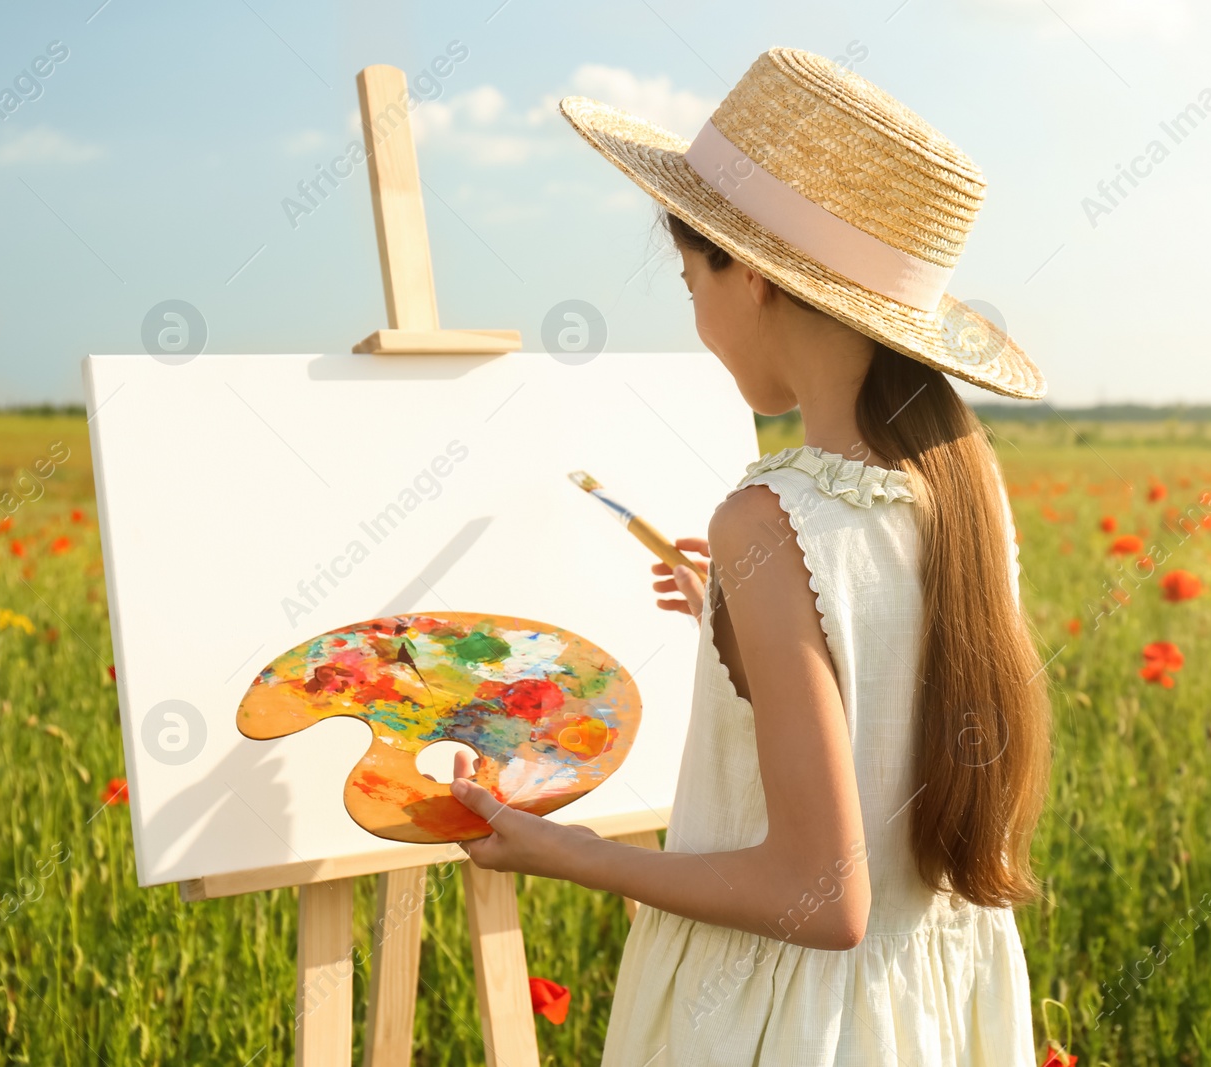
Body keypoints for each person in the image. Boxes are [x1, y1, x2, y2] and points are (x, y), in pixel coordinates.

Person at [445, 46, 1054, 1065]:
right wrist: (738, 625)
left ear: (754, 277)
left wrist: (565, 848)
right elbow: (887, 650)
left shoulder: (770, 516)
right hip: (930, 1011)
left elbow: (820, 896)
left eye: (692, 276)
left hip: (790, 1023)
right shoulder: (964, 483)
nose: (695, 316)